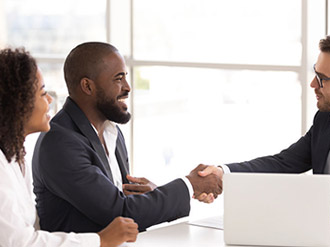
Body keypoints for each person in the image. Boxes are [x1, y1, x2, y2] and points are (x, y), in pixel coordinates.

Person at [32, 42, 222, 233]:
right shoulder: (60, 142)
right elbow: (119, 212)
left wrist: (156, 194)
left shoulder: (111, 132)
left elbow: (124, 201)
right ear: (87, 86)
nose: (128, 87)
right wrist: (189, 185)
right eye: (118, 79)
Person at [199, 30, 330, 227]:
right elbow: (283, 163)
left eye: (322, 79)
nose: (313, 83)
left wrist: (289, 208)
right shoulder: (326, 119)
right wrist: (223, 174)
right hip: (322, 234)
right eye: (315, 73)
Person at [0, 47, 138, 246]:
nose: (49, 100)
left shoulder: (13, 156)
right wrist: (101, 240)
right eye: (42, 93)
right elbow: (19, 243)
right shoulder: (58, 143)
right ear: (16, 103)